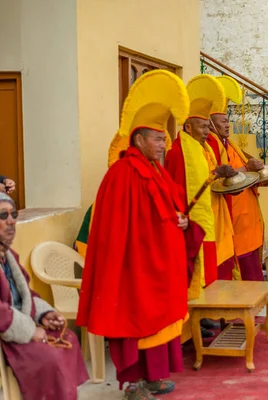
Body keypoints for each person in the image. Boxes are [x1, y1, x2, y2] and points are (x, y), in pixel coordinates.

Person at [77, 70, 191, 400]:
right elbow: (117, 231)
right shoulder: (122, 174)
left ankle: (153, 378)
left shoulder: (156, 170)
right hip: (135, 268)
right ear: (138, 140)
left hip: (159, 265)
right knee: (135, 325)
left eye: (164, 139)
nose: (163, 144)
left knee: (160, 324)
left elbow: (170, 207)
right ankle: (133, 385)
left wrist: (180, 221)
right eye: (157, 138)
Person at [164, 74, 237, 338]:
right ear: (187, 126)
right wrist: (217, 172)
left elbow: (208, 177)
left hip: (208, 216)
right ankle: (192, 317)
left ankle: (203, 313)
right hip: (189, 219)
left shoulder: (202, 148)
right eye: (203, 126)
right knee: (194, 267)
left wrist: (218, 172)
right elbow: (178, 186)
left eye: (209, 126)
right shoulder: (178, 151)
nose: (208, 131)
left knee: (207, 268)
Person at [0, 192, 89, 400]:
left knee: (67, 339)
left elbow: (26, 293)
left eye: (13, 214)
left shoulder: (8, 254)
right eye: (3, 216)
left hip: (21, 321)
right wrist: (30, 330)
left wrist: (44, 314)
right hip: (8, 331)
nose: (11, 221)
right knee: (49, 358)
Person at [208, 75, 268, 281]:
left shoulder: (230, 144)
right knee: (239, 271)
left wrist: (260, 176)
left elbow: (241, 172)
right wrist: (247, 168)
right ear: (210, 125)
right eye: (223, 121)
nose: (228, 125)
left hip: (247, 218)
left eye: (228, 121)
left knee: (250, 269)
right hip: (233, 218)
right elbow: (218, 178)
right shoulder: (212, 146)